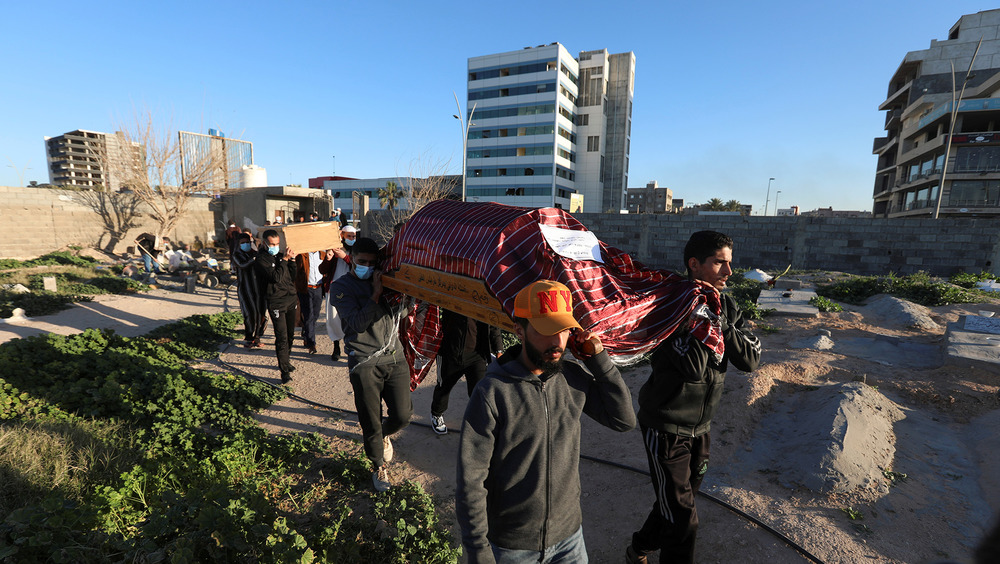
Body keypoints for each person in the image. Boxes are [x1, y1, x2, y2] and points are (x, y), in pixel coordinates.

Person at [456, 279, 636, 563]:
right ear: (519, 330)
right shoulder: (492, 393)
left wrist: (598, 360)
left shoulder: (572, 378)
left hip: (569, 540)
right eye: (545, 330)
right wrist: (478, 549)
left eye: (564, 330)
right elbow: (471, 479)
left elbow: (623, 420)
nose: (557, 341)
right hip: (512, 547)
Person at [626, 231, 761, 564]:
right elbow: (694, 368)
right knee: (683, 517)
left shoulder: (725, 305)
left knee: (675, 504)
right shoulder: (672, 304)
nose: (729, 272)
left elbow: (750, 359)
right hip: (666, 426)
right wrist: (701, 319)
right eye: (720, 263)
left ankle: (639, 548)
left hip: (701, 427)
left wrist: (722, 322)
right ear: (694, 264)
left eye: (730, 263)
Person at [328, 237, 412, 492]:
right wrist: (376, 294)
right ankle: (378, 465)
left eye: (372, 263)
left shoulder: (387, 281)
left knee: (403, 415)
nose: (367, 266)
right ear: (351, 259)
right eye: (361, 262)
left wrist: (404, 295)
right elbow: (356, 323)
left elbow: (403, 314)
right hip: (364, 362)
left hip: (394, 357)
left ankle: (381, 435)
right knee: (370, 418)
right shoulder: (341, 287)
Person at [429, 309, 502, 435]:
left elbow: (493, 323)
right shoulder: (453, 292)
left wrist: (499, 350)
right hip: (450, 351)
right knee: (443, 387)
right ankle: (436, 414)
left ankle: (478, 423)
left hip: (477, 355)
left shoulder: (484, 295)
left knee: (478, 392)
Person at [255, 229, 299, 383]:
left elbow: (292, 277)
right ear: (265, 243)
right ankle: (284, 372)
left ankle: (286, 361)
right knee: (281, 337)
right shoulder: (261, 260)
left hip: (291, 299)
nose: (275, 246)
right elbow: (275, 277)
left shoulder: (282, 256)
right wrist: (285, 261)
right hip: (275, 301)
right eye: (272, 244)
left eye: (278, 244)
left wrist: (292, 261)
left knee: (291, 335)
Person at [319, 225, 358, 361]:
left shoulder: (357, 250)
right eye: (349, 236)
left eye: (354, 236)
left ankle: (351, 346)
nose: (352, 239)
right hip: (334, 289)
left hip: (351, 291)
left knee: (350, 319)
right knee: (333, 319)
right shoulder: (334, 249)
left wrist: (346, 257)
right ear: (342, 236)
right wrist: (329, 258)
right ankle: (336, 346)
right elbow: (322, 270)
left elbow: (358, 267)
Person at [232, 232, 267, 348]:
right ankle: (248, 337)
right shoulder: (236, 255)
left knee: (260, 313)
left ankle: (257, 337)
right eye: (243, 243)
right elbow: (242, 265)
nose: (246, 244)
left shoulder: (255, 253)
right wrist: (254, 258)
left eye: (248, 242)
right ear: (238, 244)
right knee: (249, 314)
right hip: (245, 290)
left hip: (258, 289)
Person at [295, 247, 328, 355]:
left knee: (315, 314)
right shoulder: (302, 254)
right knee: (308, 315)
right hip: (306, 288)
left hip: (318, 288)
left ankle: (306, 332)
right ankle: (311, 343)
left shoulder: (322, 254)